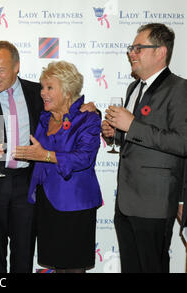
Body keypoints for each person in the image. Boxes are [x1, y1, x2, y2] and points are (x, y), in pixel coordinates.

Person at [0, 41, 97, 273]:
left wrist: (88, 107)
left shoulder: (38, 94)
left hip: (27, 187)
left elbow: (66, 110)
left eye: (0, 70)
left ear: (16, 66)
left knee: (24, 257)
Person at [102, 23, 187, 273]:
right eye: (132, 48)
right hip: (126, 202)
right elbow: (131, 137)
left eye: (139, 48)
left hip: (154, 203)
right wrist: (114, 134)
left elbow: (182, 142)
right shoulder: (134, 88)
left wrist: (132, 126)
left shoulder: (180, 89)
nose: (132, 53)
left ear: (160, 52)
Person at [14, 61, 103, 273]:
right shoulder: (44, 117)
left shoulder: (87, 119)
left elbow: (83, 158)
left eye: (49, 88)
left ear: (67, 91)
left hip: (75, 205)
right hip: (46, 204)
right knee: (56, 265)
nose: (42, 92)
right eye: (42, 87)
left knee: (73, 267)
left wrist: (44, 155)